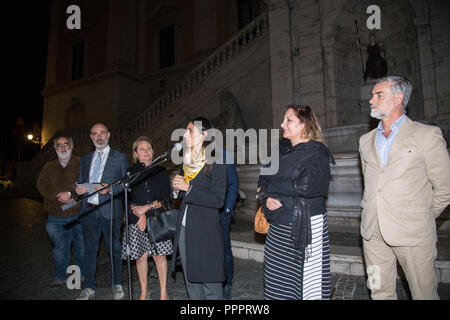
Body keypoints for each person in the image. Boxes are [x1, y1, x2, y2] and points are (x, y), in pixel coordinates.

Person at [359, 76, 450, 300]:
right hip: (372, 235)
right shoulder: (365, 140)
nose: (371, 100)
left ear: (398, 98)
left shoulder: (427, 135)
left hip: (413, 234)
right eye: (372, 95)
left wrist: (422, 217)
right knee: (378, 291)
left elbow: (445, 188)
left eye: (378, 95)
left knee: (424, 294)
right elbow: (372, 184)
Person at [258, 105, 335, 300]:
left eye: (289, 120)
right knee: (278, 283)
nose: (282, 124)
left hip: (305, 227)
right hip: (277, 228)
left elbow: (307, 187)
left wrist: (272, 189)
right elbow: (262, 184)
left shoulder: (317, 153)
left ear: (304, 125)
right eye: (284, 120)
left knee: (308, 285)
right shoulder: (278, 151)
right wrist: (267, 198)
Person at [170, 116, 227, 300]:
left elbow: (218, 200)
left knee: (210, 283)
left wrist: (188, 188)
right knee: (191, 282)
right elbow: (180, 194)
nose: (185, 134)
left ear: (204, 134)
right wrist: (175, 189)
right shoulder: (186, 162)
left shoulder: (216, 160)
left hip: (206, 231)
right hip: (185, 229)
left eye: (190, 130)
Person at [75, 123, 129, 300]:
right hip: (88, 211)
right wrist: (78, 190)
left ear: (109, 134)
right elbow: (80, 183)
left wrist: (111, 190)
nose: (99, 136)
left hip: (110, 210)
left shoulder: (120, 157)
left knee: (114, 248)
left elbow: (126, 184)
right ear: (91, 137)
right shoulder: (84, 159)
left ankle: (117, 283)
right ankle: (88, 286)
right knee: (89, 250)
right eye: (95, 134)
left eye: (102, 133)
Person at [121, 136, 172, 300]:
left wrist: (147, 209)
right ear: (135, 153)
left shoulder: (161, 171)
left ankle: (163, 292)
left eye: (149, 148)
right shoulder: (130, 173)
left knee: (159, 256)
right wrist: (139, 215)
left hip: (157, 218)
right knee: (141, 258)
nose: (146, 152)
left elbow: (166, 199)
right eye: (142, 149)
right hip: (136, 219)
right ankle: (144, 291)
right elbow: (127, 199)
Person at [36, 136, 84, 287]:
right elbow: (41, 185)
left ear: (71, 146)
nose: (63, 148)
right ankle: (60, 276)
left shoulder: (81, 163)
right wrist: (58, 195)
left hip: (79, 214)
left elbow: (88, 182)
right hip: (56, 216)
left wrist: (71, 194)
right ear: (55, 148)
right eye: (59, 145)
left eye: (66, 144)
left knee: (81, 247)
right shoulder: (48, 166)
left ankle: (77, 277)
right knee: (60, 249)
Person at [217, 149, 239, 300]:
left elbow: (233, 183)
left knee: (224, 250)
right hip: (202, 214)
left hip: (221, 212)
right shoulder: (192, 156)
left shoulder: (224, 155)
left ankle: (227, 284)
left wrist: (228, 208)